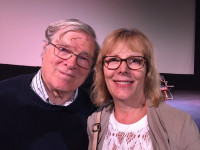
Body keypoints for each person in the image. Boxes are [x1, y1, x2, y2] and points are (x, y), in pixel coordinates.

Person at [87, 28, 200, 150]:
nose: (123, 69)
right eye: (113, 59)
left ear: (148, 71)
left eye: (135, 60)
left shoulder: (180, 124)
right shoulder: (94, 122)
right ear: (102, 69)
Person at [0, 19, 99, 150]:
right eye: (63, 49)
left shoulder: (95, 115)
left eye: (84, 58)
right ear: (45, 49)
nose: (71, 64)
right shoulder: (3, 97)